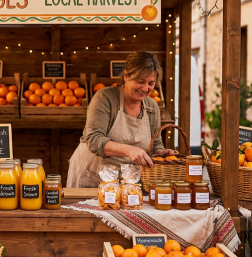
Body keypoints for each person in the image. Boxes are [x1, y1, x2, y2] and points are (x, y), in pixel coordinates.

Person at [67, 51, 175, 188]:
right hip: (93, 176)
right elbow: (94, 140)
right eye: (140, 81)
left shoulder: (152, 106)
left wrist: (160, 152)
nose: (145, 88)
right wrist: (129, 150)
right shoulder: (104, 98)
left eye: (151, 83)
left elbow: (156, 143)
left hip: (128, 181)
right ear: (126, 76)